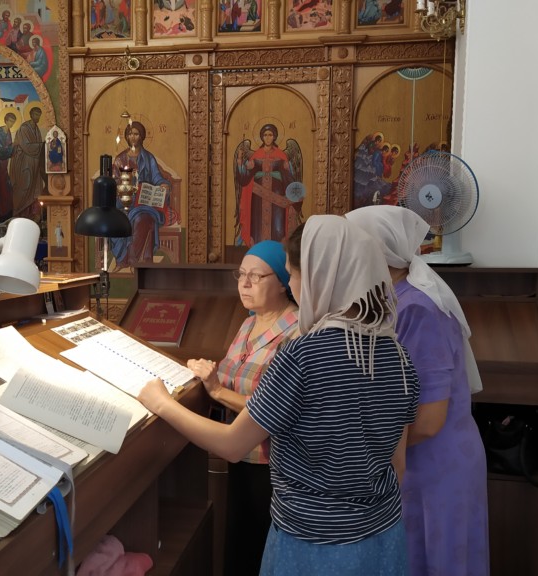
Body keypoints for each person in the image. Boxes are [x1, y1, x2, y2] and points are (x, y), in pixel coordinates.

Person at [138, 215, 419, 575]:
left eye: (293, 275)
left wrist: (161, 403)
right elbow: (398, 463)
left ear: (318, 276)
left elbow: (232, 445)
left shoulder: (303, 354)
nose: (293, 286)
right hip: (382, 536)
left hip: (312, 543)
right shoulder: (398, 355)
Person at [346, 205, 489, 576]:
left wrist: (359, 451)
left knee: (435, 561)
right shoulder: (390, 300)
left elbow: (428, 419)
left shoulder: (419, 309)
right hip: (408, 458)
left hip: (436, 465)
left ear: (377, 253)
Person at [186, 240, 299, 576]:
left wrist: (217, 389)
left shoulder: (297, 331)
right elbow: (229, 374)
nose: (245, 284)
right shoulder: (249, 323)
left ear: (282, 282)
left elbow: (276, 408)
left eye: (256, 276)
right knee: (239, 545)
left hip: (273, 463)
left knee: (263, 548)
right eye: (241, 275)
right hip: (238, 453)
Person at [109, 121, 178, 268]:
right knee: (117, 220)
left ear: (142, 136)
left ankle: (132, 259)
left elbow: (157, 177)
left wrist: (163, 184)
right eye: (130, 134)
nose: (133, 137)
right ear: (126, 136)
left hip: (144, 203)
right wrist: (123, 187)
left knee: (143, 219)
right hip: (124, 201)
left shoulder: (148, 158)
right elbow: (114, 182)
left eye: (136, 134)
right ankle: (124, 258)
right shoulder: (120, 159)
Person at [235, 124, 300, 247]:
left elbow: (288, 176)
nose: (267, 137)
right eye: (265, 135)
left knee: (278, 224)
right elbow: (245, 178)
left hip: (277, 195)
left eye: (270, 135)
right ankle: (258, 250)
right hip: (258, 196)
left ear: (274, 136)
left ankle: (277, 249)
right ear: (261, 137)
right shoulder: (256, 155)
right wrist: (239, 162)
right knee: (258, 224)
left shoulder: (281, 155)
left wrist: (295, 193)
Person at [10, 106, 46, 220]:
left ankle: (33, 215)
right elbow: (26, 146)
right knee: (24, 187)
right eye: (35, 114)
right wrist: (43, 145)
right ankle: (19, 215)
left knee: (34, 189)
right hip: (24, 165)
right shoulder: (24, 128)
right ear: (30, 115)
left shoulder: (36, 128)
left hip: (34, 164)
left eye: (39, 115)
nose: (37, 117)